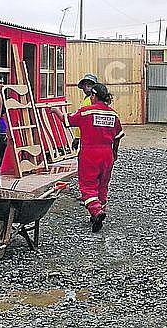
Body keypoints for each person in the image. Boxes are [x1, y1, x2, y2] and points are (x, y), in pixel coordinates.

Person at [53, 83, 123, 232]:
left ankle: (97, 212)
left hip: (90, 153)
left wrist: (56, 111)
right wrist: (115, 153)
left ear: (94, 96)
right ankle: (99, 210)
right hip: (107, 154)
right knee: (103, 185)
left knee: (87, 186)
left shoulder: (86, 112)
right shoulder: (113, 114)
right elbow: (118, 136)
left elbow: (67, 121)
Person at [70, 73, 98, 150]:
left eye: (89, 85)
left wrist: (77, 137)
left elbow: (82, 120)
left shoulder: (89, 101)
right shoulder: (89, 99)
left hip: (89, 136)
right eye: (84, 85)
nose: (86, 87)